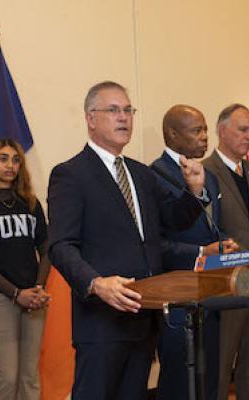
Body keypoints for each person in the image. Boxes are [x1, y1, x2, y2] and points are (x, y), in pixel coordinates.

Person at [47, 81, 206, 400]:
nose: (124, 118)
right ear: (91, 119)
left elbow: (174, 220)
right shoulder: (70, 174)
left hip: (143, 319)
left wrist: (194, 190)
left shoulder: (140, 173)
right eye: (113, 110)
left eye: (128, 110)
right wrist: (96, 284)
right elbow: (61, 246)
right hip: (101, 323)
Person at [151, 104, 239, 400]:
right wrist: (202, 250)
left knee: (209, 379)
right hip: (177, 296)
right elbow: (156, 243)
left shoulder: (209, 175)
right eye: (196, 130)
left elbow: (212, 226)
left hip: (209, 293)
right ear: (172, 134)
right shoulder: (155, 175)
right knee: (179, 380)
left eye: (205, 129)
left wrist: (224, 243)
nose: (205, 136)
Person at [203, 103, 249, 400]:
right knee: (220, 363)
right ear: (222, 131)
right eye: (242, 130)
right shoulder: (206, 172)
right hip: (224, 281)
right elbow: (205, 226)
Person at [0, 139, 50, 400]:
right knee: (7, 376)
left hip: (34, 297)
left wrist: (38, 288)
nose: (10, 165)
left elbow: (47, 247)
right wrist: (15, 294)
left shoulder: (31, 203)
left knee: (29, 375)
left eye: (15, 160)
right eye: (3, 158)